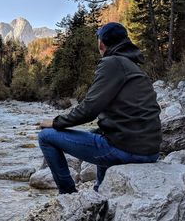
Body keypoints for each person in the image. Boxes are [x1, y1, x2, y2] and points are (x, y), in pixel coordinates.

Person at [38, 22, 162, 194]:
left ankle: (68, 195)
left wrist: (55, 122)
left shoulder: (112, 63)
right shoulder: (132, 66)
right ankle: (100, 190)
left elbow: (89, 109)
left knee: (46, 136)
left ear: (101, 43)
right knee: (100, 133)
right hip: (150, 150)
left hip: (128, 150)